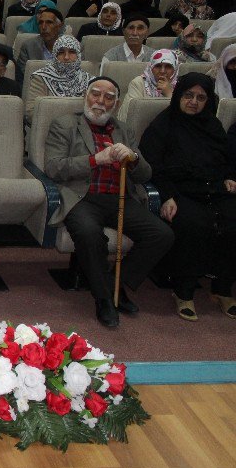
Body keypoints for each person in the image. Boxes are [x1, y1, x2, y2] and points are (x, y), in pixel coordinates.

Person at [44, 76, 174, 328]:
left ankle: (116, 282)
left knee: (162, 234)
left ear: (116, 103)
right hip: (83, 198)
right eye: (96, 94)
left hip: (119, 198)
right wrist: (96, 159)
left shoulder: (123, 129)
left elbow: (145, 174)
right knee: (90, 233)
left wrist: (134, 158)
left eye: (109, 97)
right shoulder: (64, 124)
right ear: (86, 96)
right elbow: (54, 168)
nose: (100, 101)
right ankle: (105, 298)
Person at [139, 72, 236, 321]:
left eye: (201, 97)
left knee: (232, 220)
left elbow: (226, 159)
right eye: (188, 95)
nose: (193, 101)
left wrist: (229, 176)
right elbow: (153, 166)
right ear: (179, 96)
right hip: (179, 190)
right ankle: (183, 291)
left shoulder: (212, 125)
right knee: (194, 224)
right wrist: (167, 196)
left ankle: (223, 289)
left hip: (214, 188)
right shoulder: (163, 124)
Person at [25, 35, 93, 119]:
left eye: (72, 52)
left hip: (82, 129)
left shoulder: (90, 81)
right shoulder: (41, 78)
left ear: (78, 55)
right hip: (50, 128)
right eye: (61, 52)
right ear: (54, 55)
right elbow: (32, 112)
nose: (66, 57)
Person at [118, 49, 178, 124]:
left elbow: (181, 118)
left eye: (168, 66)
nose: (162, 71)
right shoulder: (138, 83)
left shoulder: (181, 86)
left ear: (175, 69)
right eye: (158, 66)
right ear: (151, 67)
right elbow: (129, 114)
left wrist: (169, 94)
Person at [15, 6, 64, 85]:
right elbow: (23, 79)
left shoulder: (72, 48)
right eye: (41, 23)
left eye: (49, 22)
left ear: (59, 26)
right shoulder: (28, 46)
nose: (43, 27)